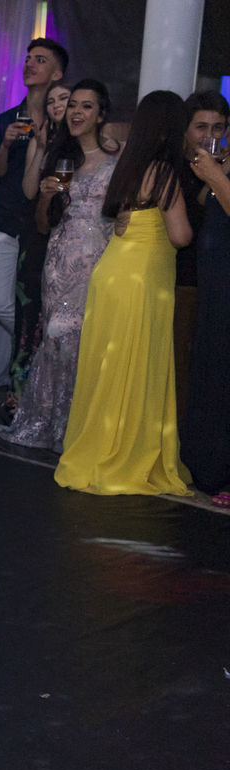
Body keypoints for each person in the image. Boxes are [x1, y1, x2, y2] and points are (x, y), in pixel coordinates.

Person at [55, 91, 193, 496]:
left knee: (109, 367)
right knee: (135, 367)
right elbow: (181, 235)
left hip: (113, 272)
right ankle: (123, 452)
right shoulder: (163, 171)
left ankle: (97, 445)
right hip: (141, 279)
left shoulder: (129, 166)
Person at [0, 80, 120, 452]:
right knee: (55, 337)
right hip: (59, 258)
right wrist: (45, 198)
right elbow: (42, 224)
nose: (77, 113)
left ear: (101, 114)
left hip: (101, 259)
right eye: (73, 106)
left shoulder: (118, 157)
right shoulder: (60, 156)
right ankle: (53, 423)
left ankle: (84, 427)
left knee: (89, 340)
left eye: (86, 106)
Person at [0, 38, 68, 391]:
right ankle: (41, 351)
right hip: (6, 222)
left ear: (58, 74)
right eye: (28, 58)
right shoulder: (6, 120)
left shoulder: (64, 123)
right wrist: (5, 144)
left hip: (45, 228)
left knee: (38, 302)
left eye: (41, 60)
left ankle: (32, 370)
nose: (30, 64)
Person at [179, 102, 230, 501]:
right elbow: (205, 202)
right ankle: (208, 464)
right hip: (214, 274)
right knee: (212, 362)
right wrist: (214, 172)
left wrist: (214, 173)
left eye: (220, 126)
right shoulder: (222, 161)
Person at [11, 80, 72, 395]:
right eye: (51, 101)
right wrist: (40, 146)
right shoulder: (41, 140)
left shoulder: (84, 144)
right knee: (29, 314)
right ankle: (20, 397)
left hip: (73, 237)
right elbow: (27, 190)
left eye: (64, 99)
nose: (57, 105)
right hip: (37, 234)